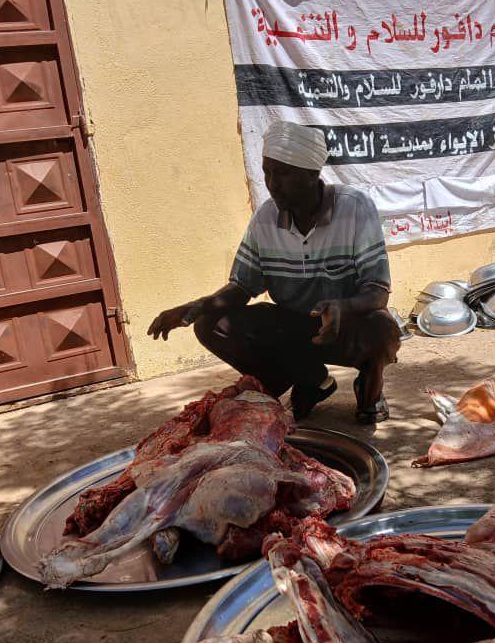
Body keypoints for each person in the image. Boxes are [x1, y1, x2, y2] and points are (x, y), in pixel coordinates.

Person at [147, 120, 400, 424]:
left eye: (282, 174)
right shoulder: (265, 218)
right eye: (267, 172)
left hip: (345, 324)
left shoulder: (355, 208)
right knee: (211, 324)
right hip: (291, 327)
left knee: (382, 329)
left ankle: (370, 387)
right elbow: (242, 287)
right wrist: (196, 307)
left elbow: (377, 291)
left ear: (312, 174)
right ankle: (309, 379)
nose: (272, 184)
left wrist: (343, 307)